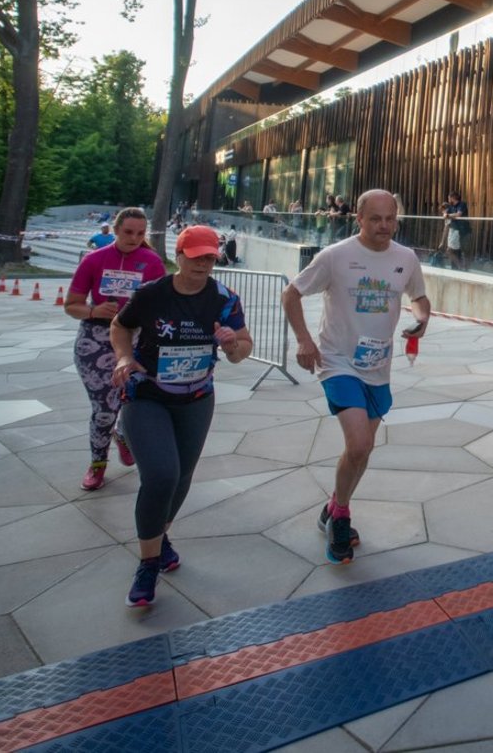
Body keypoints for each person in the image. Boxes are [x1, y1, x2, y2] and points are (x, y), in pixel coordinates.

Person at [281, 190, 430, 564]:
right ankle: (342, 515)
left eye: (390, 219)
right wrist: (304, 340)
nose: (384, 226)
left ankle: (332, 507)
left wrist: (421, 318)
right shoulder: (335, 257)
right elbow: (291, 294)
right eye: (375, 219)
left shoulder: (406, 258)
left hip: (378, 366)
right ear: (358, 219)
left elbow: (419, 297)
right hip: (337, 361)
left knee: (361, 452)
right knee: (360, 444)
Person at [110, 225, 253, 607]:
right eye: (197, 257)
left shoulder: (224, 298)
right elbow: (120, 327)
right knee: (161, 474)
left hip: (197, 398)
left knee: (182, 476)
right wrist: (125, 357)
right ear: (179, 255)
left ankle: (160, 536)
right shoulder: (152, 294)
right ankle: (148, 562)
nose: (204, 264)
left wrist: (231, 345)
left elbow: (243, 350)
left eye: (210, 257)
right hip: (147, 395)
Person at [64, 207, 167, 491]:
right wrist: (95, 310)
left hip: (135, 341)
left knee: (129, 402)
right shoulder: (94, 260)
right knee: (104, 410)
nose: (134, 238)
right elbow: (71, 305)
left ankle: (122, 435)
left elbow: (161, 306)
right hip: (94, 342)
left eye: (140, 233)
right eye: (128, 232)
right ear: (116, 230)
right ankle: (97, 464)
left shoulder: (151, 262)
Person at [443, 191, 472, 271]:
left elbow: (459, 214)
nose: (448, 200)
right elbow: (444, 214)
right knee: (450, 250)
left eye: (449, 198)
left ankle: (466, 269)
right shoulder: (451, 207)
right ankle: (459, 266)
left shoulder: (462, 204)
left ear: (453, 197)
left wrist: (448, 215)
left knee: (466, 250)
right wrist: (445, 212)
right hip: (456, 232)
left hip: (465, 231)